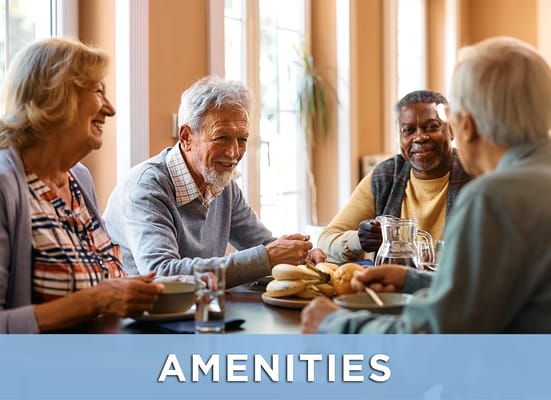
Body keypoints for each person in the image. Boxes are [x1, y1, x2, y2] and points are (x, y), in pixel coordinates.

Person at [301, 36, 551, 333]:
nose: (420, 137)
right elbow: (492, 292)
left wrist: (334, 325)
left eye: (438, 124)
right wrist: (412, 280)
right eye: (409, 130)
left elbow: (433, 343)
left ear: (464, 127)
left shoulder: (493, 199)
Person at [0, 38, 164, 333]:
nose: (110, 109)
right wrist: (96, 300)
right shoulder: (5, 186)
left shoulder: (79, 178)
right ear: (56, 95)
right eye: (99, 91)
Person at [103, 76, 325, 288]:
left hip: (197, 311)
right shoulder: (146, 188)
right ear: (186, 137)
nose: (233, 153)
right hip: (136, 321)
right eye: (222, 138)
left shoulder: (222, 183)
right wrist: (267, 257)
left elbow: (262, 245)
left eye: (242, 140)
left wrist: (300, 254)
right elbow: (163, 273)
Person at [317, 90, 471, 264]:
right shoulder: (385, 177)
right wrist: (359, 241)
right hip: (392, 288)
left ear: (451, 130)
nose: (420, 137)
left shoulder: (475, 174)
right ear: (400, 137)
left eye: (432, 126)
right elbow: (325, 242)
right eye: (409, 130)